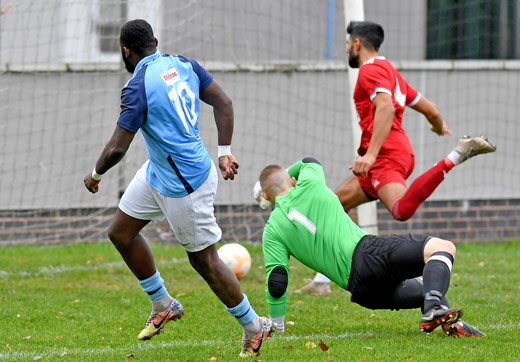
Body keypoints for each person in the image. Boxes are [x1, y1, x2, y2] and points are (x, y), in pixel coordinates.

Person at [83, 19, 273, 357]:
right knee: (121, 233)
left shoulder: (137, 86)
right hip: (160, 171)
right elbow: (224, 102)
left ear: (126, 51)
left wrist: (95, 175)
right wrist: (225, 152)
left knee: (204, 261)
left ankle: (254, 327)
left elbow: (117, 148)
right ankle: (163, 303)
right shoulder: (183, 64)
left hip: (185, 185)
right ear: (155, 41)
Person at [285, 20, 496, 295]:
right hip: (391, 154)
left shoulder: (369, 71)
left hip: (386, 156)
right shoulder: (391, 72)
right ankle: (322, 283)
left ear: (357, 44)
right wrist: (437, 124)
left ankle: (457, 155)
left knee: (400, 211)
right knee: (335, 204)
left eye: (348, 43)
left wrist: (370, 156)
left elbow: (384, 107)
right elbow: (430, 109)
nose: (347, 48)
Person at [258, 157, 486, 337]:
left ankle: (451, 323)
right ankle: (434, 308)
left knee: (425, 287)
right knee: (443, 247)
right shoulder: (310, 183)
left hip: (361, 290)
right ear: (292, 180)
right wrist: (287, 176)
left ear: (266, 197)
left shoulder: (272, 230)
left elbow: (277, 281)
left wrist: (277, 327)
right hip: (367, 254)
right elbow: (308, 161)